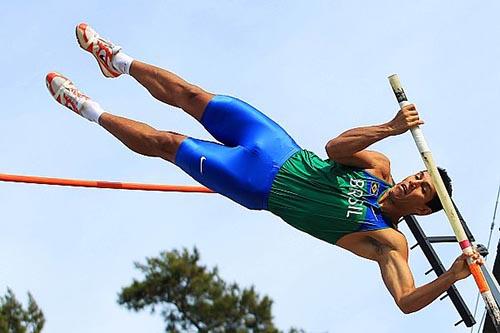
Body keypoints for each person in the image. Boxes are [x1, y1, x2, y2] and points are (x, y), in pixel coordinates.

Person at [46, 23, 482, 314]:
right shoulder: (379, 167)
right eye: (420, 175)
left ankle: (87, 108)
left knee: (168, 142)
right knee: (194, 96)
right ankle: (116, 59)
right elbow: (333, 147)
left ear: (423, 211)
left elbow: (405, 300)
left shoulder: (387, 241)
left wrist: (451, 275)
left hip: (256, 183)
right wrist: (389, 128)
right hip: (276, 145)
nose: (413, 180)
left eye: (421, 189)